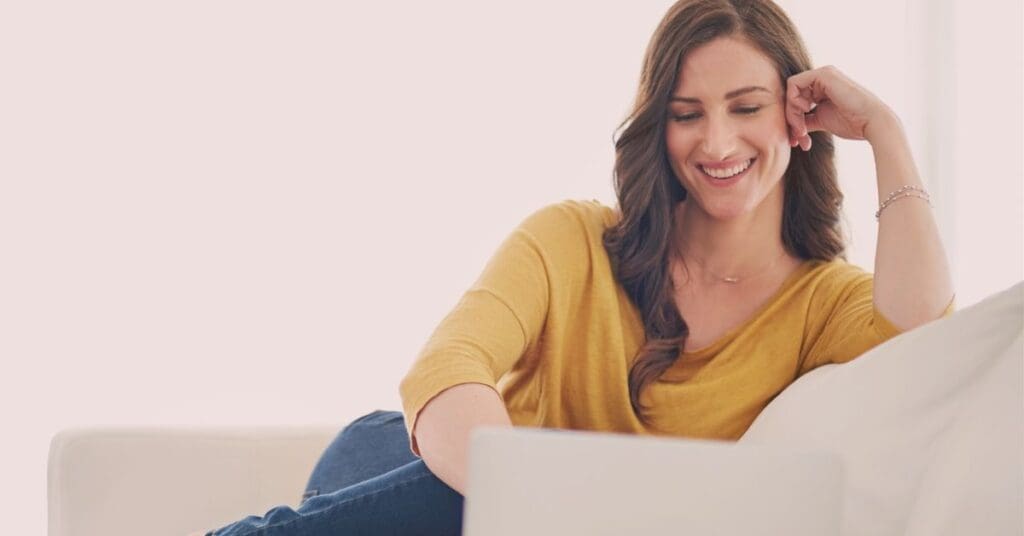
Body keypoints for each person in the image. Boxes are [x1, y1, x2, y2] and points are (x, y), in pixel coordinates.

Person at [198, 0, 955, 534]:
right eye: (686, 113)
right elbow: (449, 369)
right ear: (658, 129)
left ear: (797, 119)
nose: (717, 142)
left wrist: (884, 131)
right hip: (427, 472)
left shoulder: (821, 302)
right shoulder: (571, 240)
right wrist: (535, 509)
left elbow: (923, 333)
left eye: (746, 106)